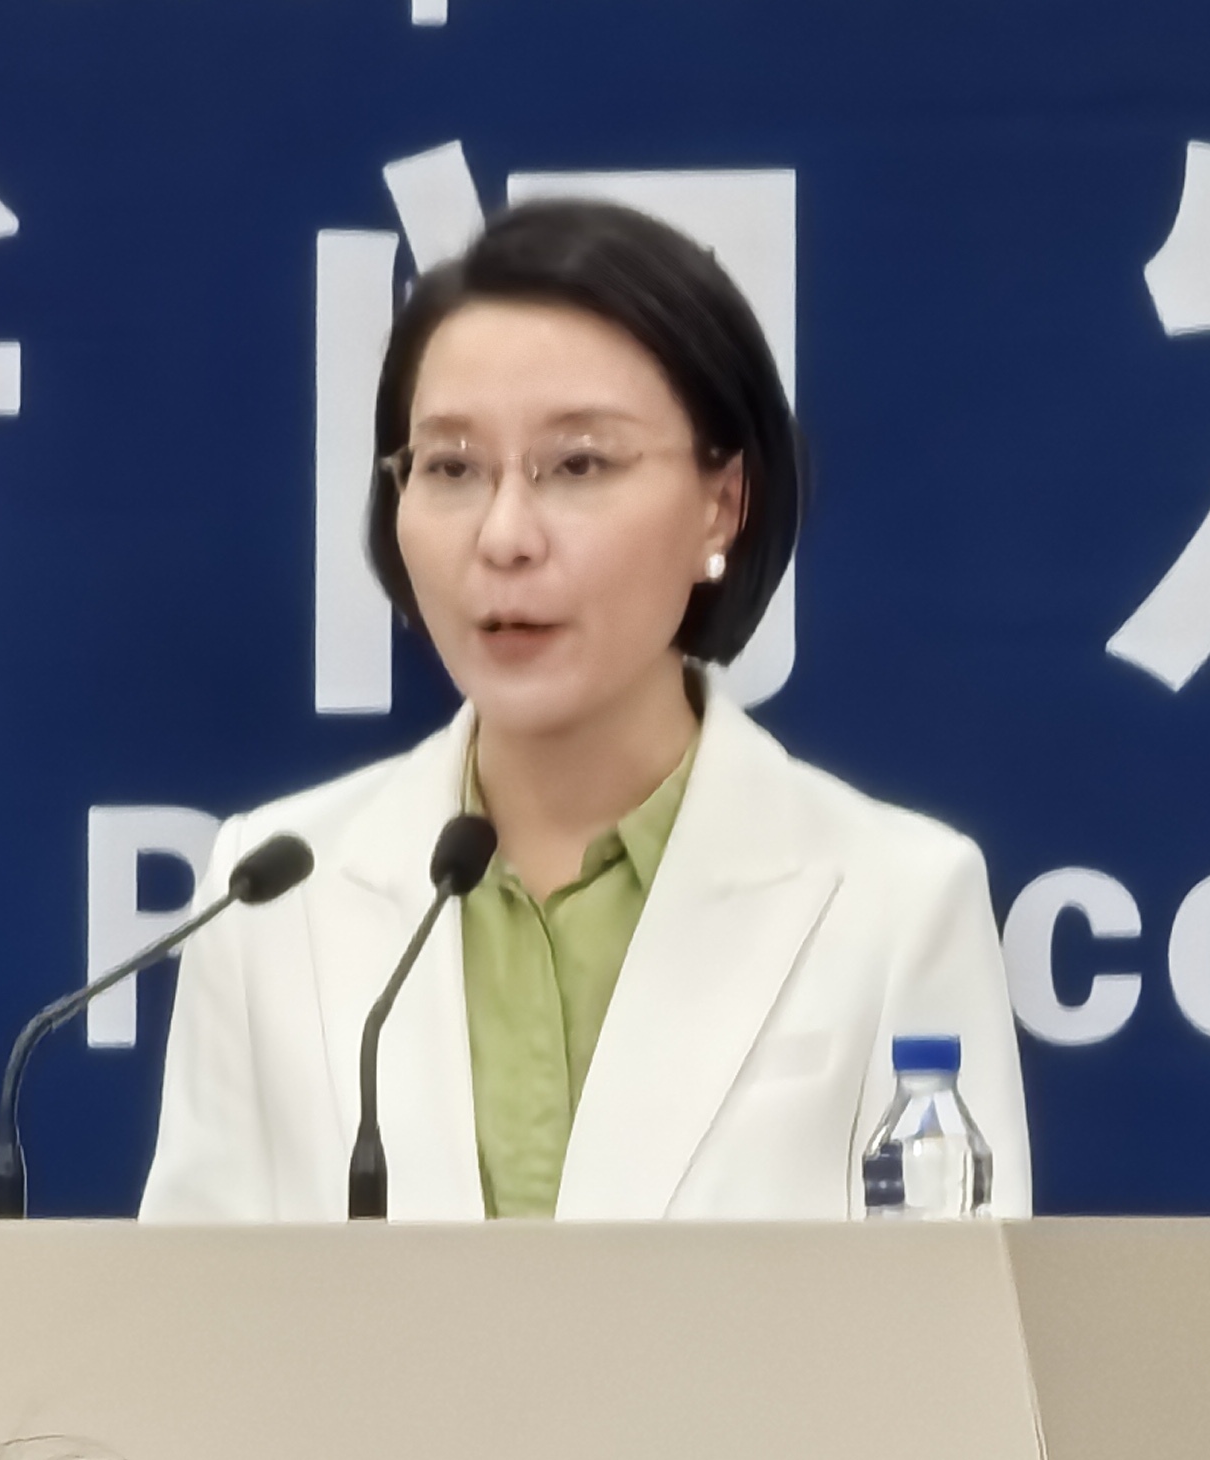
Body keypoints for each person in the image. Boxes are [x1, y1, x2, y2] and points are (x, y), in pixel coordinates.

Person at [140, 198, 1030, 1221]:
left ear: (722, 504)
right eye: (451, 468)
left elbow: (949, 1318)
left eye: (578, 464)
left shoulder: (897, 899)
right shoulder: (271, 894)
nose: (505, 536)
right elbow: (193, 1312)